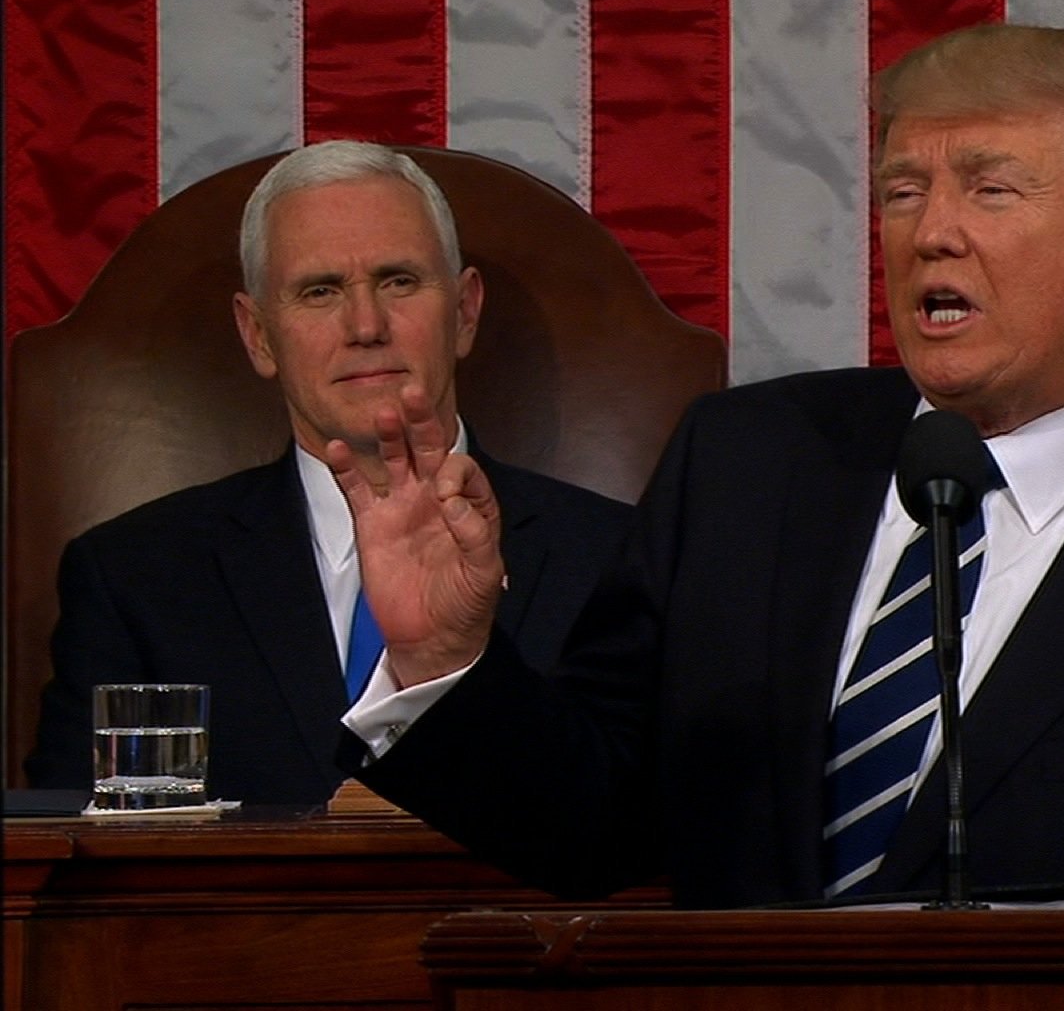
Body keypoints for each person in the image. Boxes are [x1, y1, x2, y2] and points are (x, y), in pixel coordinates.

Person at [336, 28, 1064, 1009]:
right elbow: (590, 822)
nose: (931, 230)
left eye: (990, 188)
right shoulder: (746, 465)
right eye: (905, 189)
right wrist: (449, 663)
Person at [25, 140, 632, 807]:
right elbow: (71, 861)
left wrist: (447, 663)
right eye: (320, 291)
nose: (366, 325)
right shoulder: (134, 578)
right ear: (258, 335)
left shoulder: (616, 557)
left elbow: (656, 828)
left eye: (399, 281)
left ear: (463, 312)